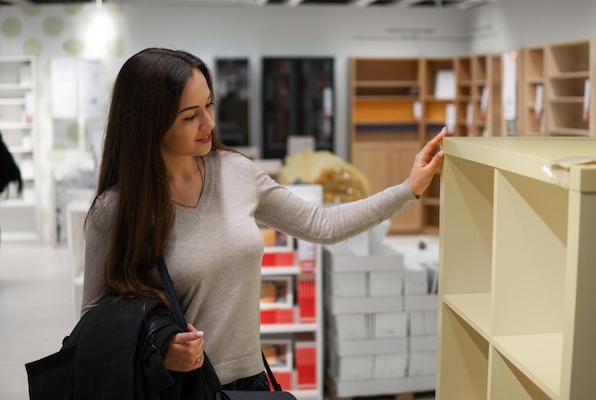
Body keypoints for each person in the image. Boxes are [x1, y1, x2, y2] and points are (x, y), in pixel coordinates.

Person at [82, 47, 445, 394]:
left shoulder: (236, 172)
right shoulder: (116, 210)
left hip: (249, 383)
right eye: (190, 116)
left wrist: (408, 188)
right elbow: (93, 325)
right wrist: (158, 349)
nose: (208, 122)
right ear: (149, 124)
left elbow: (323, 225)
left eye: (209, 104)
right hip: (173, 389)